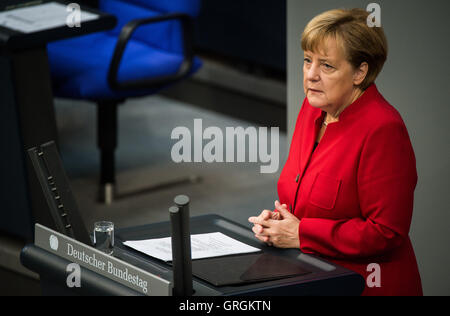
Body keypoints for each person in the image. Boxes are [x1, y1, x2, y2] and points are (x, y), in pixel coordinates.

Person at [248, 8, 422, 296]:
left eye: (327, 66)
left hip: (365, 286)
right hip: (310, 275)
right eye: (307, 61)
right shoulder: (312, 108)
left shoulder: (383, 130)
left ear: (359, 72)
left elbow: (386, 233)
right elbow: (310, 198)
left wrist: (301, 233)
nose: (311, 75)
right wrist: (281, 223)